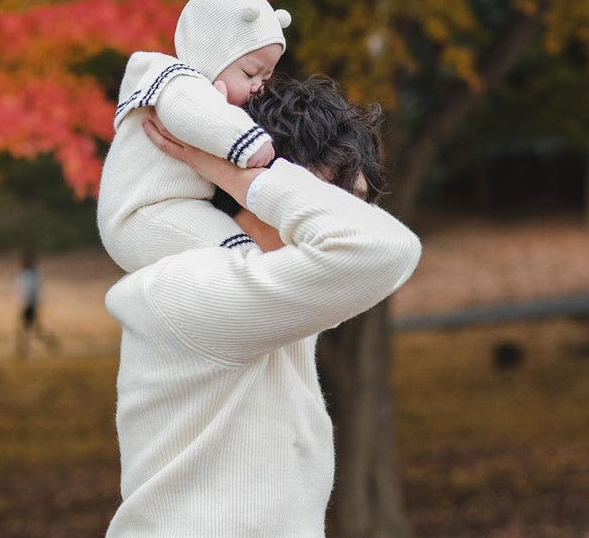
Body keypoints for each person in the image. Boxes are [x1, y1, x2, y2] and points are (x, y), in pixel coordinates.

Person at [102, 75, 421, 538]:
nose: (345, 218)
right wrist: (240, 172)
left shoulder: (258, 286)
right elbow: (387, 248)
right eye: (326, 201)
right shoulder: (197, 288)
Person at [98, 0, 291, 274]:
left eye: (265, 79)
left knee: (230, 255)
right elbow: (197, 116)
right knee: (238, 255)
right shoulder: (175, 82)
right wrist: (251, 142)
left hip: (170, 209)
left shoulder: (199, 92)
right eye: (250, 73)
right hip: (143, 213)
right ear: (211, 52)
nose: (258, 87)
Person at [16, 250, 59, 357]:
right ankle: (48, 342)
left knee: (27, 330)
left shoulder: (31, 275)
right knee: (33, 330)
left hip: (29, 305)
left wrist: (28, 304)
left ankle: (23, 350)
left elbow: (30, 291)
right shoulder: (30, 274)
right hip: (30, 305)